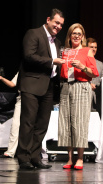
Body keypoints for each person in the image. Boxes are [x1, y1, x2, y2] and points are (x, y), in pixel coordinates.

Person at [16, 9, 65, 170]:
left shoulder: (57, 43)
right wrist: (52, 61)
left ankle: (35, 156)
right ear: (48, 19)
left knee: (42, 124)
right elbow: (29, 56)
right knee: (28, 122)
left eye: (61, 25)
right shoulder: (34, 33)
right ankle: (23, 157)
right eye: (56, 22)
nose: (58, 26)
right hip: (31, 84)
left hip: (48, 86)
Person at [58, 23, 99, 170]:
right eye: (73, 33)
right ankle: (70, 159)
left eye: (79, 34)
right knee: (66, 122)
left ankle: (80, 158)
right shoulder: (65, 51)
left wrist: (82, 67)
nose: (76, 36)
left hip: (81, 87)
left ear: (82, 37)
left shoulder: (87, 51)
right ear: (69, 36)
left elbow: (94, 73)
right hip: (65, 87)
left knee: (80, 123)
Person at [0, 73, 21, 158]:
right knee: (15, 125)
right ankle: (10, 152)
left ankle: (35, 152)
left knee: (33, 126)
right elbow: (12, 84)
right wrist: (1, 78)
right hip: (22, 99)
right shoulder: (22, 70)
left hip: (35, 99)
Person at [86, 38, 103, 116]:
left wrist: (98, 86)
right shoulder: (82, 62)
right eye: (91, 47)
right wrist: (88, 84)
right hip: (85, 96)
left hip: (98, 98)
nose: (94, 49)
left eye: (95, 47)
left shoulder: (100, 64)